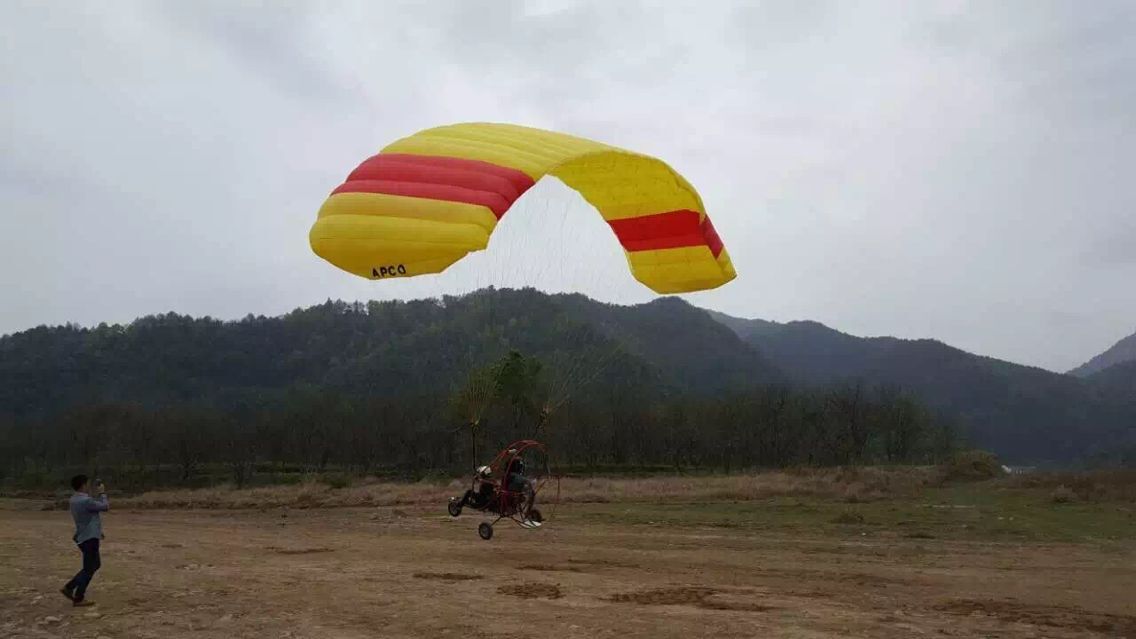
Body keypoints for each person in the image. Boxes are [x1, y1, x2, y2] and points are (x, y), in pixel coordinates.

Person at [61, 474, 108, 607]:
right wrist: (102, 493)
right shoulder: (85, 501)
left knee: (94, 565)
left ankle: (71, 588)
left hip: (84, 536)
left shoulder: (74, 500)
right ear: (83, 485)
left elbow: (89, 517)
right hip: (90, 537)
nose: (89, 486)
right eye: (87, 483)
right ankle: (76, 595)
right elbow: (105, 506)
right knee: (89, 568)